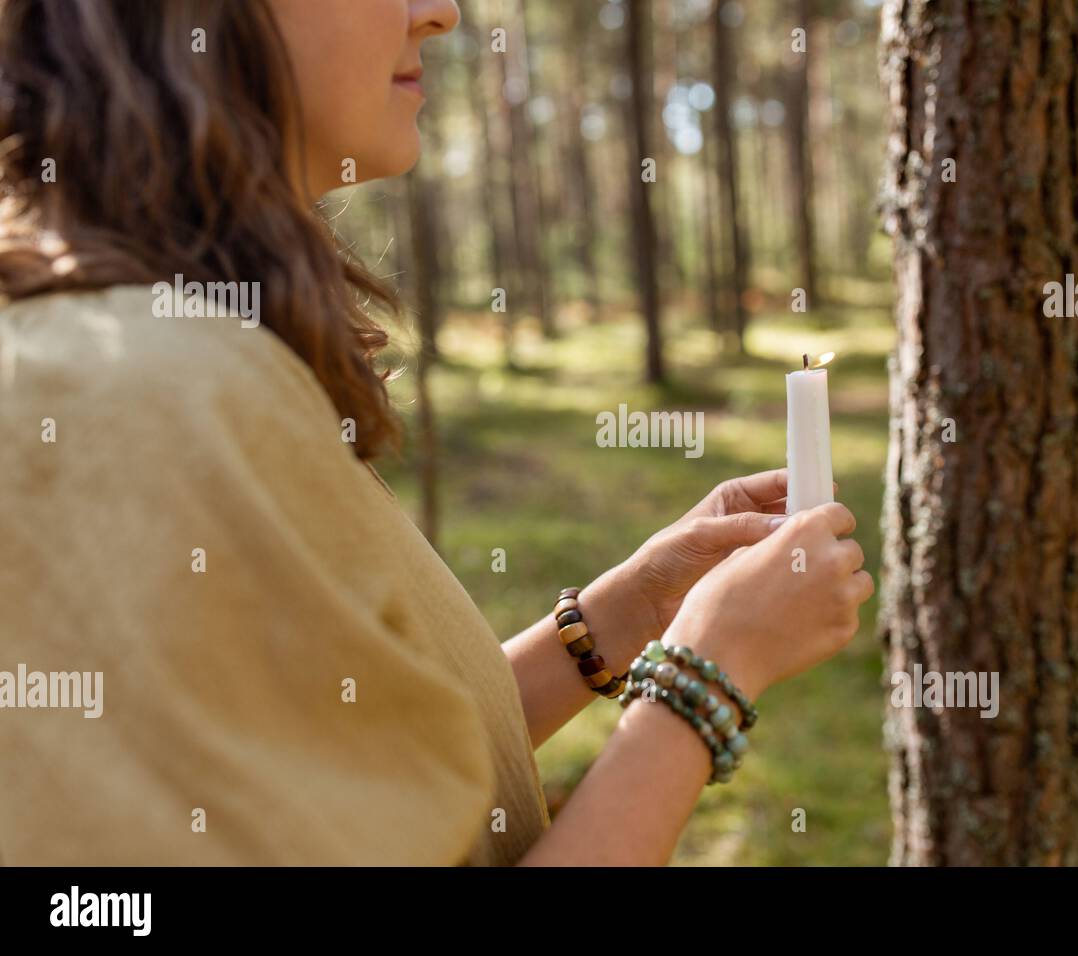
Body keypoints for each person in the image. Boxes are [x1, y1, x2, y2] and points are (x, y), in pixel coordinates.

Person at [0, 0, 873, 866]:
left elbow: (360, 768)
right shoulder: (120, 398)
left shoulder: (183, 356)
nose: (440, 13)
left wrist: (631, 610)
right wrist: (704, 679)